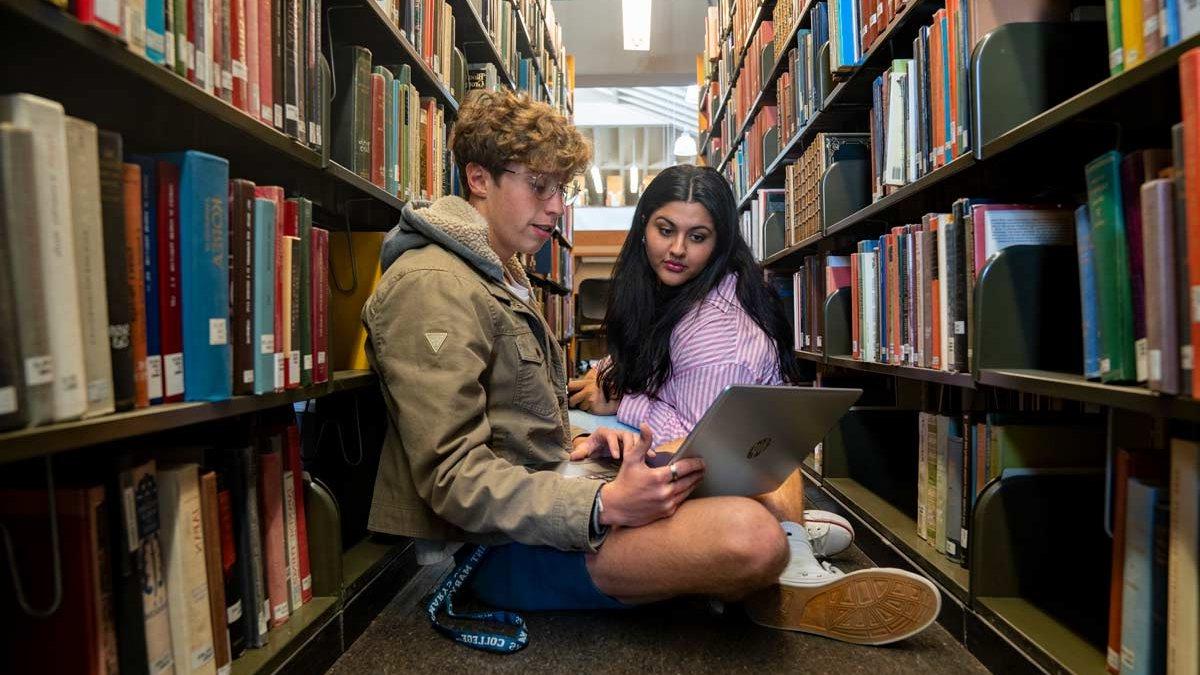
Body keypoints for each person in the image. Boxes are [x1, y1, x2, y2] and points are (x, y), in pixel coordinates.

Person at [362, 89, 936, 648]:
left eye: (560, 188)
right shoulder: (435, 287)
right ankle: (776, 572)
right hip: (496, 548)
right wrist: (604, 504)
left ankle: (774, 558)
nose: (558, 206)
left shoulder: (498, 270)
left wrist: (587, 444)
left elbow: (515, 422)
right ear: (479, 178)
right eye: (538, 186)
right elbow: (451, 479)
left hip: (553, 497)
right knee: (750, 536)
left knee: (761, 448)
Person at [566, 165, 941, 643]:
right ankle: (794, 531)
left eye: (697, 236)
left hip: (722, 474)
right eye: (666, 230)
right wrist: (620, 387)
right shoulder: (674, 295)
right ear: (643, 229)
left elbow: (696, 448)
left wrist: (622, 400)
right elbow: (661, 385)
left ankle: (790, 563)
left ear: (719, 244)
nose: (677, 249)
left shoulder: (718, 335)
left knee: (636, 491)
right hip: (744, 464)